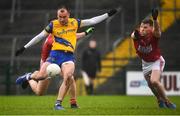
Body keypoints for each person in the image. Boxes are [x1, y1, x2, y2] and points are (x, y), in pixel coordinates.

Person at [15, 6, 117, 110]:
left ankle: (59, 104)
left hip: (68, 56)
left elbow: (91, 21)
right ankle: (29, 77)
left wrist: (107, 15)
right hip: (52, 57)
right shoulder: (52, 28)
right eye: (59, 17)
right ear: (57, 16)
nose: (62, 19)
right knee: (40, 83)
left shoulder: (74, 23)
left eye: (64, 17)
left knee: (69, 77)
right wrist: (24, 47)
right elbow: (39, 36)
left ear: (68, 15)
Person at [131, 9, 176, 109]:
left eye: (145, 27)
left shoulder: (154, 35)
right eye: (141, 26)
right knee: (150, 85)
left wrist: (155, 19)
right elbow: (133, 35)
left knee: (154, 81)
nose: (142, 29)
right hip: (145, 63)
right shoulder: (137, 34)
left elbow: (158, 32)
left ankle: (168, 102)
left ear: (151, 28)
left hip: (156, 61)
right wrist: (136, 36)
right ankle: (159, 100)